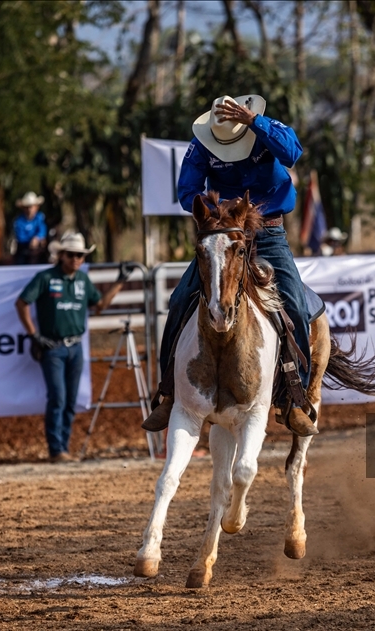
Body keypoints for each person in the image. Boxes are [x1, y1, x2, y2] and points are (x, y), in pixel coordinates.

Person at [141, 93, 317, 436]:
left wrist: (255, 122)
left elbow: (292, 153)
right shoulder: (202, 145)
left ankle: (295, 398)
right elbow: (186, 190)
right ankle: (169, 392)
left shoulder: (266, 129)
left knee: (294, 303)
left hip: (268, 233)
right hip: (224, 234)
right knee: (179, 301)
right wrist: (210, 211)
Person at [15, 232, 128, 462]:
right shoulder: (46, 277)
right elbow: (22, 302)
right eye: (72, 255)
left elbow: (99, 305)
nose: (76, 259)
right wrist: (34, 335)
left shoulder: (82, 281)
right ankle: (56, 449)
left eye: (80, 255)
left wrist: (120, 282)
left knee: (70, 399)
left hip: (76, 347)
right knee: (57, 396)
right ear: (61, 256)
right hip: (53, 347)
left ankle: (63, 447)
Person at [13, 191, 48, 265]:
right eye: (27, 207)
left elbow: (42, 229)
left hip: (39, 249)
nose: (29, 209)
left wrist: (37, 238)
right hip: (24, 250)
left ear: (36, 207)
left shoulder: (40, 217)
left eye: (31, 206)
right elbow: (20, 237)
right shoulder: (19, 221)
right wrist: (31, 241)